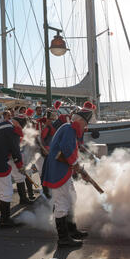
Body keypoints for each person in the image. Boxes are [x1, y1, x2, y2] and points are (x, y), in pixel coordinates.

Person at [42, 106, 93, 247]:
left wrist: (77, 168)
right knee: (62, 203)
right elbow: (66, 148)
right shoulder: (69, 129)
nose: (86, 127)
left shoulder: (68, 128)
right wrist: (76, 166)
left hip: (63, 169)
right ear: (81, 121)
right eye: (86, 124)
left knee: (71, 198)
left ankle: (72, 230)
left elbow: (69, 151)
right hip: (59, 171)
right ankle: (63, 239)